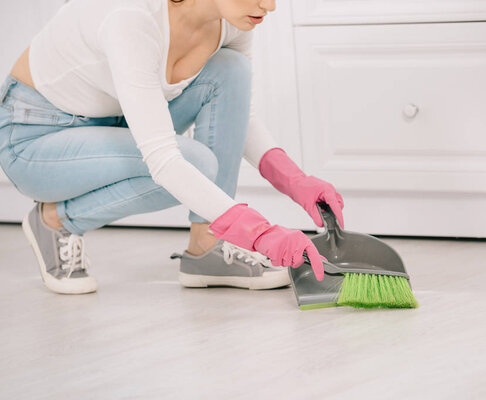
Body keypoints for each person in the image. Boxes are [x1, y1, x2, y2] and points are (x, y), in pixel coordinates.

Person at [0, 0, 345, 295]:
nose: (269, 6)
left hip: (115, 120)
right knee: (193, 163)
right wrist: (258, 233)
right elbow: (162, 158)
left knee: (231, 69)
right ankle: (54, 220)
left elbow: (241, 114)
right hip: (35, 139)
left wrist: (295, 181)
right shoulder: (132, 18)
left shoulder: (233, 20)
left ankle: (206, 246)